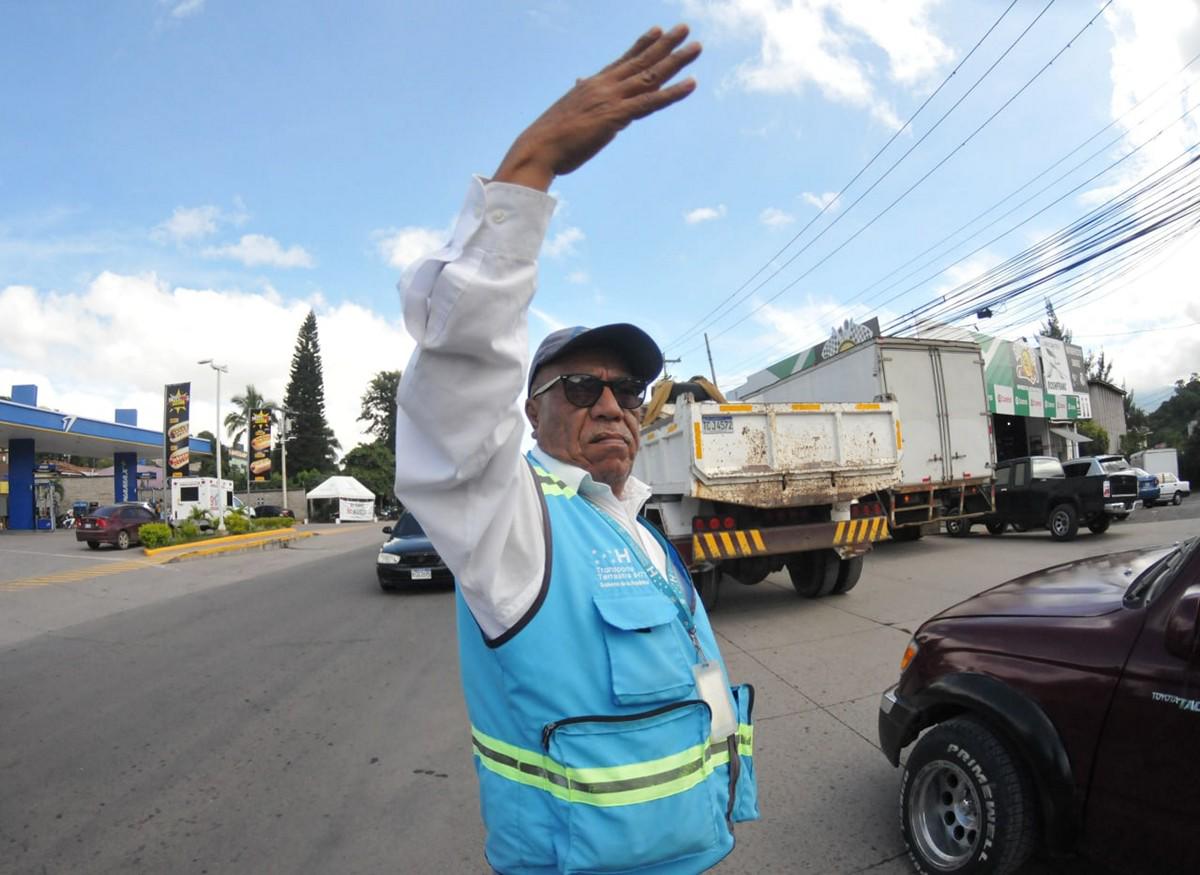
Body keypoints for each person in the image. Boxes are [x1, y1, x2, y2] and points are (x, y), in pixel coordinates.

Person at [393, 24, 758, 874]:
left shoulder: (639, 526)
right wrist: (534, 165)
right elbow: (455, 386)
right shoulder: (512, 522)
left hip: (699, 850)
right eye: (581, 387)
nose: (610, 405)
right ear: (530, 409)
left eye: (627, 390)